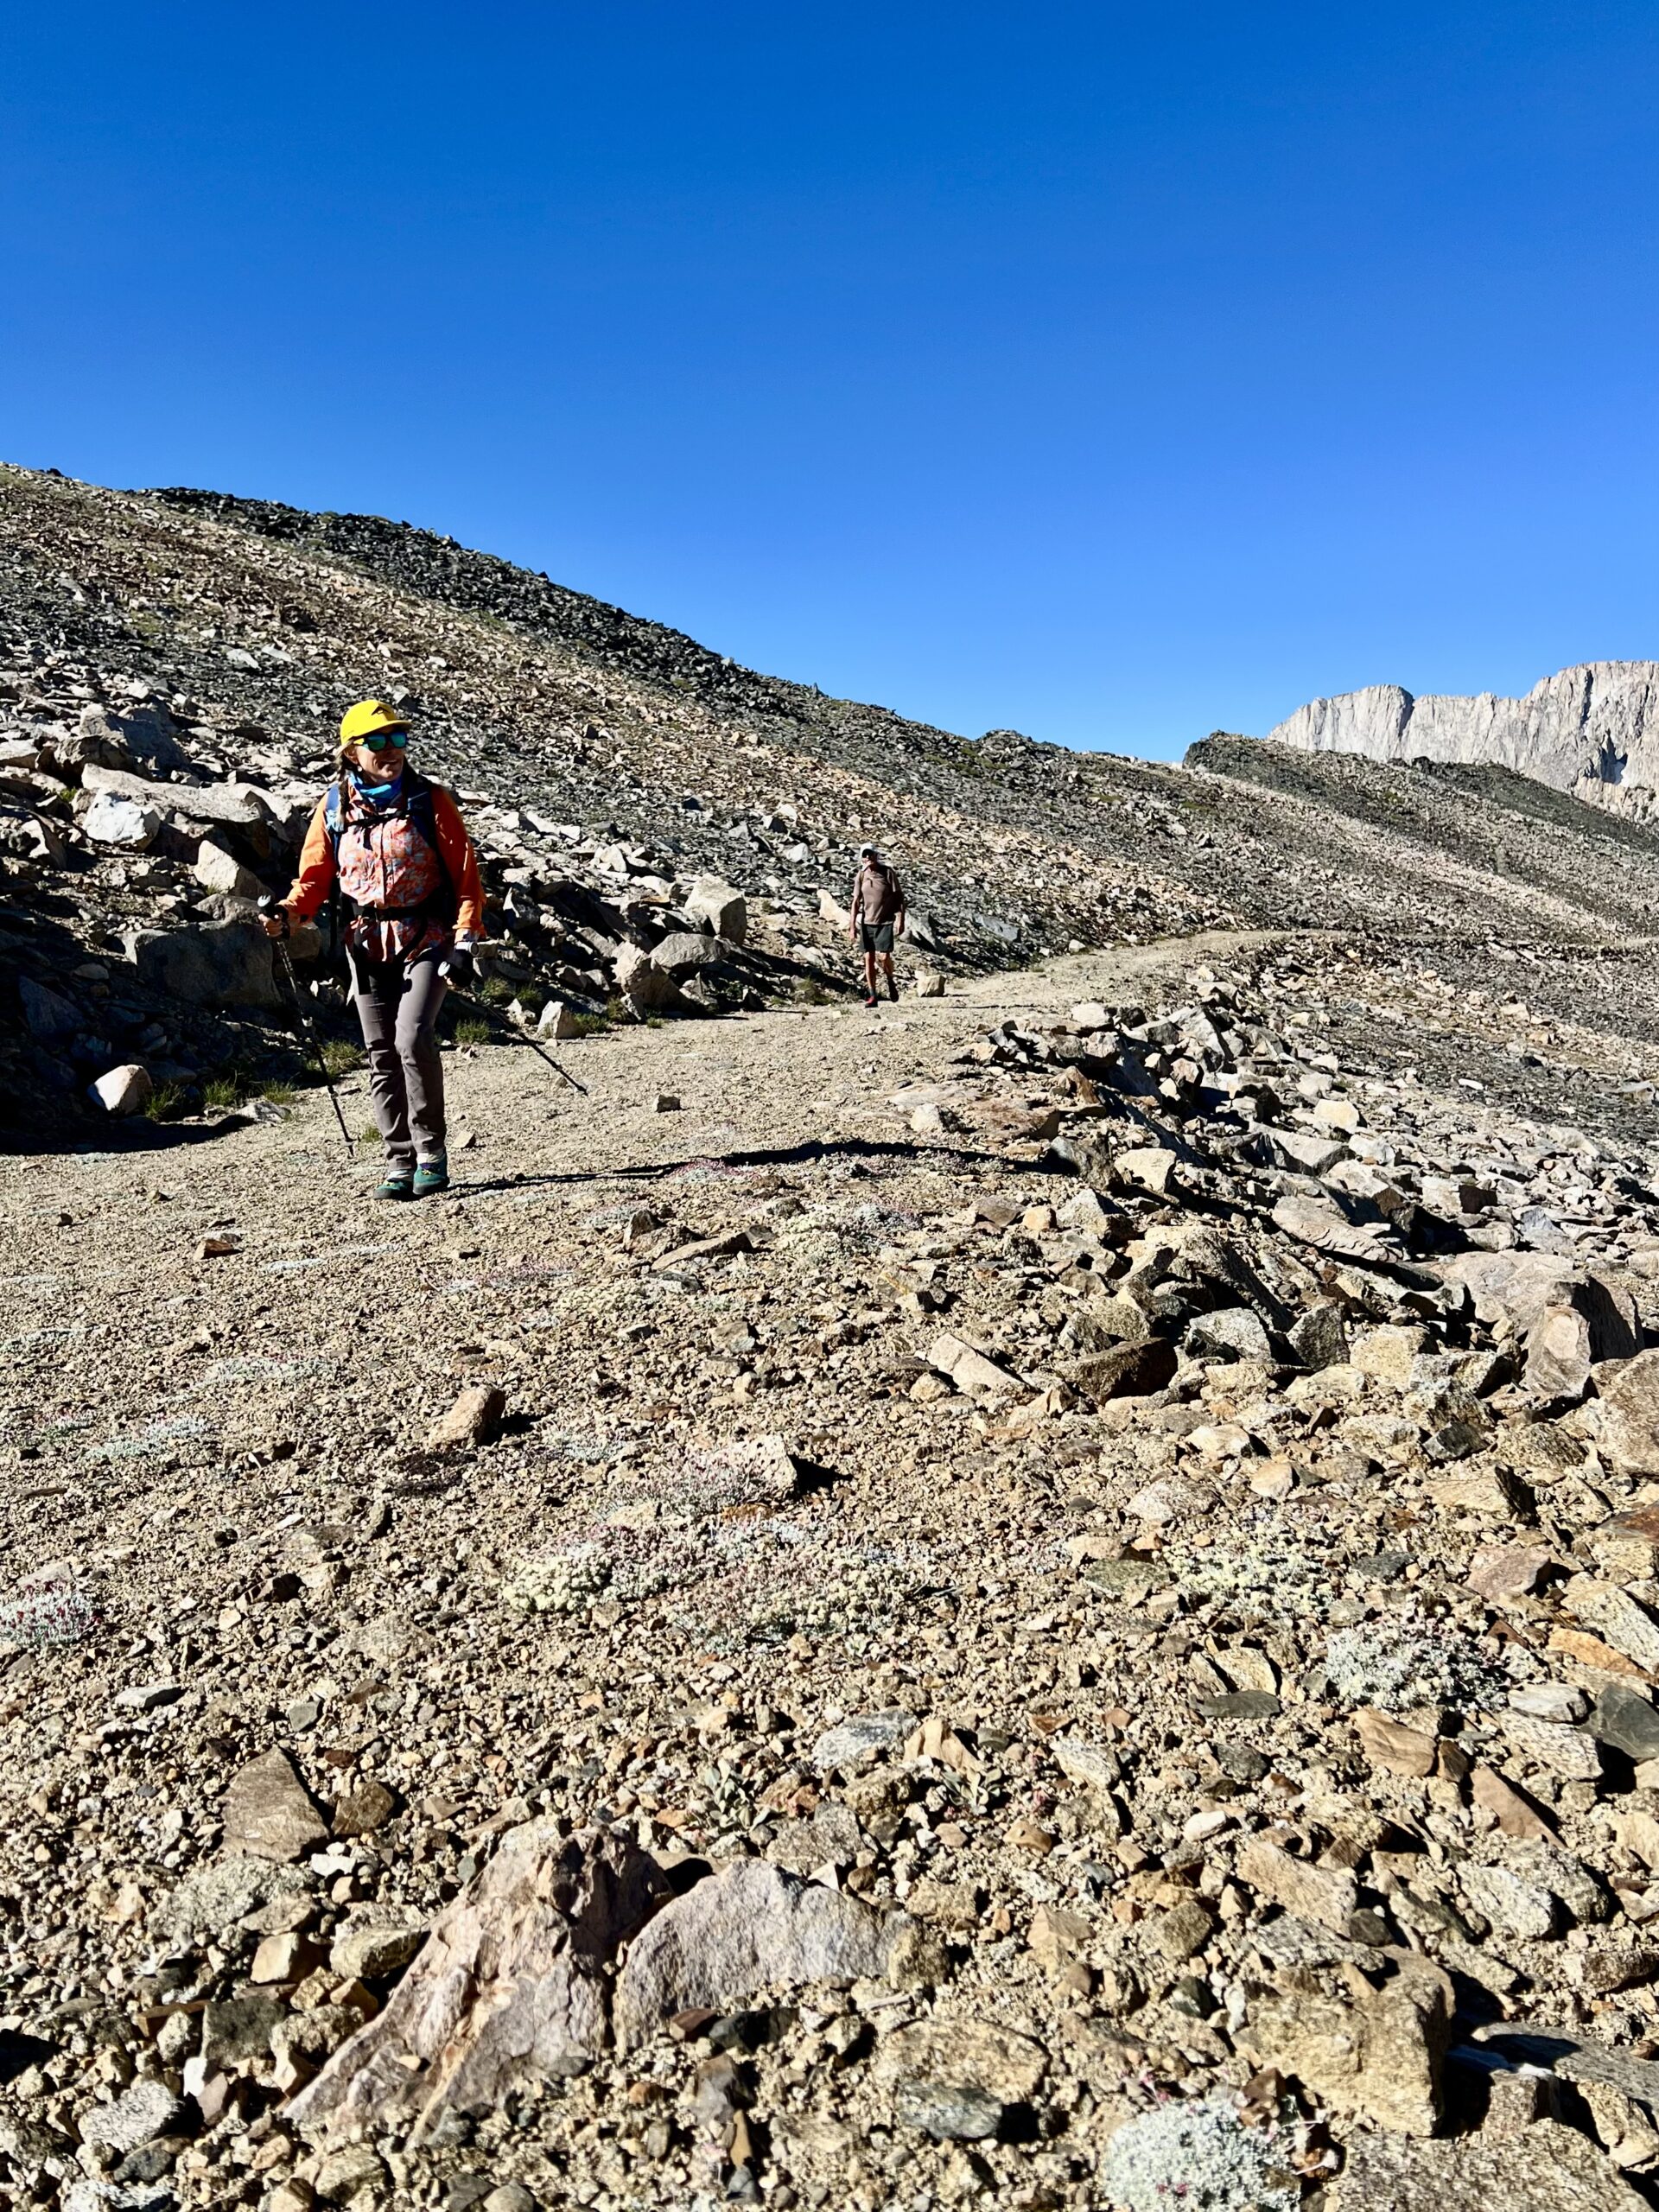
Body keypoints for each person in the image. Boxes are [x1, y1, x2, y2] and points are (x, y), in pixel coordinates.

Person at [264, 699, 485, 1199]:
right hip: (365, 944)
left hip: (427, 937)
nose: (392, 750)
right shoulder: (335, 806)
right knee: (381, 1053)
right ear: (351, 752)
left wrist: (465, 941)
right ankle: (398, 1159)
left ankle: (431, 1152)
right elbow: (315, 878)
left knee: (412, 1037)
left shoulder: (431, 801)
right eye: (378, 741)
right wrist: (288, 914)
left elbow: (467, 880)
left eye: (399, 739)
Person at [849, 842, 906, 1007]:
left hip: (885, 921)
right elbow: (855, 901)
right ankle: (873, 995)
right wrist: (852, 925)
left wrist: (901, 920)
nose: (867, 858)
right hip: (867, 923)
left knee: (884, 956)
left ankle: (889, 978)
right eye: (864, 855)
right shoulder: (861, 876)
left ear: (876, 855)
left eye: (870, 854)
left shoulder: (887, 873)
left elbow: (899, 898)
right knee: (868, 958)